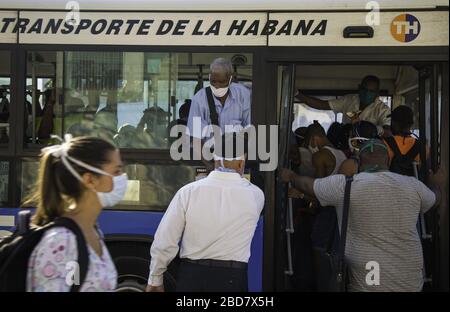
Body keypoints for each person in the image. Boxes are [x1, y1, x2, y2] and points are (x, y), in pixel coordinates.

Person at [280, 139, 444, 292]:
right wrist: (435, 183)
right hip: (410, 281)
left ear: (359, 163)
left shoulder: (346, 185)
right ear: (387, 162)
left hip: (369, 283)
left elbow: (308, 186)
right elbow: (434, 199)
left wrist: (291, 177)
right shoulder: (412, 185)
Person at [146, 130, 264, 292]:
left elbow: (166, 239)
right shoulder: (256, 195)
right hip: (233, 278)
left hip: (192, 276)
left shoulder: (188, 192)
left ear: (215, 160)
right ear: (241, 163)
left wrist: (155, 278)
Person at [25, 135, 128, 291]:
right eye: (117, 171)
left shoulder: (93, 231)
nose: (123, 178)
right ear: (90, 180)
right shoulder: (61, 242)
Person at [187, 58, 251, 170]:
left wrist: (240, 164)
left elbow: (250, 131)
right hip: (209, 159)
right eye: (213, 81)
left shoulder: (243, 95)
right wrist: (210, 166)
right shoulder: (199, 99)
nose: (217, 86)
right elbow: (196, 138)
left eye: (222, 82)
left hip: (236, 159)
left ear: (230, 78)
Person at [295, 75, 391, 135]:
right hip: (346, 144)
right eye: (365, 90)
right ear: (359, 88)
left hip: (370, 149)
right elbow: (321, 105)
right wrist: (297, 94)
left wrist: (368, 128)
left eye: (371, 91)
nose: (367, 93)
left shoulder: (383, 109)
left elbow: (388, 131)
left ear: (377, 93)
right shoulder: (349, 100)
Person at [383, 105, 428, 176]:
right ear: (411, 124)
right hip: (414, 186)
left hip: (390, 185)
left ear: (394, 123)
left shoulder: (384, 144)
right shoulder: (423, 147)